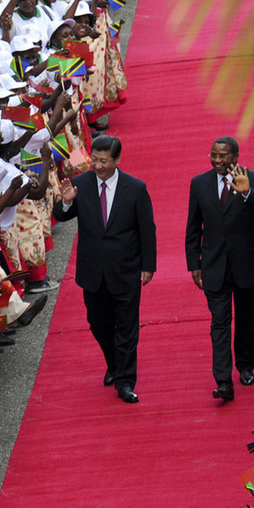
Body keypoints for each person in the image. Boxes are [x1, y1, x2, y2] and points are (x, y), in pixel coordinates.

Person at [53, 135, 156, 403]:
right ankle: (114, 363)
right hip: (93, 270)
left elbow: (147, 230)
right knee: (98, 324)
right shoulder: (81, 184)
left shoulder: (135, 188)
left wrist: (148, 266)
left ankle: (125, 381)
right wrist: (65, 201)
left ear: (117, 160)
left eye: (104, 161)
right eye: (95, 160)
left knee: (127, 327)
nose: (98, 166)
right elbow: (62, 215)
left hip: (126, 269)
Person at [185, 136, 254, 401]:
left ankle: (245, 366)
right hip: (214, 265)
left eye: (223, 156)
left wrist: (249, 193)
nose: (217, 160)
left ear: (235, 157)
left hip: (247, 264)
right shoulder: (199, 183)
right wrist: (194, 264)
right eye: (213, 155)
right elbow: (194, 227)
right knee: (220, 322)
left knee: (246, 320)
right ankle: (223, 381)